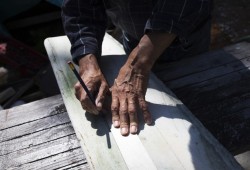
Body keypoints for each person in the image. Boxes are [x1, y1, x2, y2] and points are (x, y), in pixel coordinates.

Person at [62, 0, 212, 136]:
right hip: (132, 34)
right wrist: (87, 61)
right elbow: (79, 8)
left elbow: (182, 5)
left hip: (183, 43)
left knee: (199, 115)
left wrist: (137, 66)